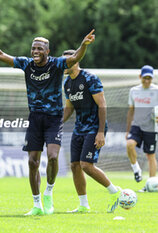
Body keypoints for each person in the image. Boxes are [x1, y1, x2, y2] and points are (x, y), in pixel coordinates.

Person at [0, 20, 95, 215]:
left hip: (54, 118)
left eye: (39, 48)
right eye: (33, 48)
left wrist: (84, 45)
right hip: (35, 119)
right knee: (32, 162)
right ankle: (37, 204)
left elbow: (74, 58)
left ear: (47, 51)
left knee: (54, 157)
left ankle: (48, 191)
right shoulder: (26, 64)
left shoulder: (57, 64)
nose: (35, 51)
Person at [62, 49, 121, 213]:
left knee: (86, 165)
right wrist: (55, 123)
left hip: (94, 128)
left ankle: (115, 192)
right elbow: (69, 108)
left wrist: (101, 132)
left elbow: (102, 105)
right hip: (79, 128)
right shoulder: (67, 83)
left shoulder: (90, 78)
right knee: (74, 166)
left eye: (67, 61)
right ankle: (83, 205)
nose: (64, 65)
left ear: (76, 61)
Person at [126, 65, 158, 192]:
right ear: (140, 77)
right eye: (145, 78)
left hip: (151, 127)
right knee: (129, 144)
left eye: (149, 78)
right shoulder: (133, 91)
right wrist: (127, 129)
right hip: (137, 125)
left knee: (150, 155)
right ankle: (136, 170)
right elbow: (130, 110)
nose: (147, 81)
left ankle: (151, 185)